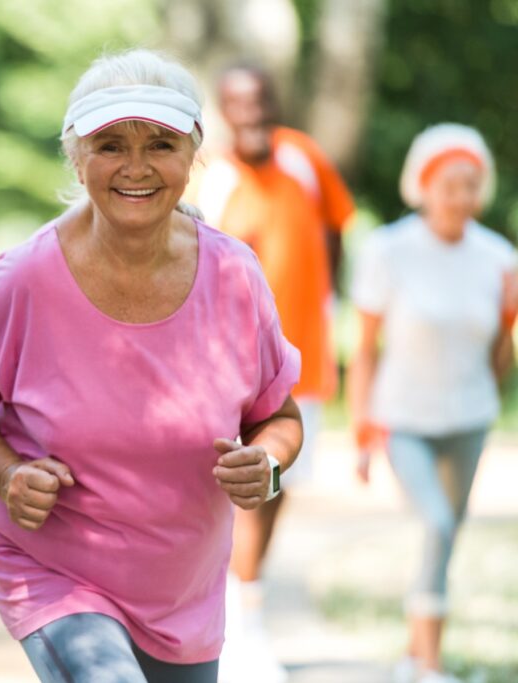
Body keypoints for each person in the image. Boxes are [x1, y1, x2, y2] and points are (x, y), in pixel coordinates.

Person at [0, 49, 303, 683]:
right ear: (76, 156)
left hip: (183, 591)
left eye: (160, 143)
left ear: (193, 155)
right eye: (110, 144)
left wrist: (266, 464)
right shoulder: (26, 279)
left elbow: (278, 417)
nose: (136, 167)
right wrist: (7, 472)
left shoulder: (235, 276)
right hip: (53, 570)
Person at [194, 63, 355, 682]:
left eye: (260, 100)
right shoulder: (213, 173)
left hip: (301, 355)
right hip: (229, 365)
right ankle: (237, 625)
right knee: (238, 489)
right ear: (223, 111)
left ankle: (246, 612)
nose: (251, 113)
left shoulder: (304, 158)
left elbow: (337, 229)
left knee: (276, 486)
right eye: (238, 103)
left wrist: (323, 300)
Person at [348, 123, 515, 683]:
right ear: (423, 185)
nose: (462, 196)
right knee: (438, 524)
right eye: (450, 184)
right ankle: (431, 666)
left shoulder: (498, 257)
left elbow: (499, 349)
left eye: (472, 184)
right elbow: (365, 348)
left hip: (468, 418)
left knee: (443, 536)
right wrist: (362, 427)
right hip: (404, 419)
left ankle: (413, 656)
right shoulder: (389, 250)